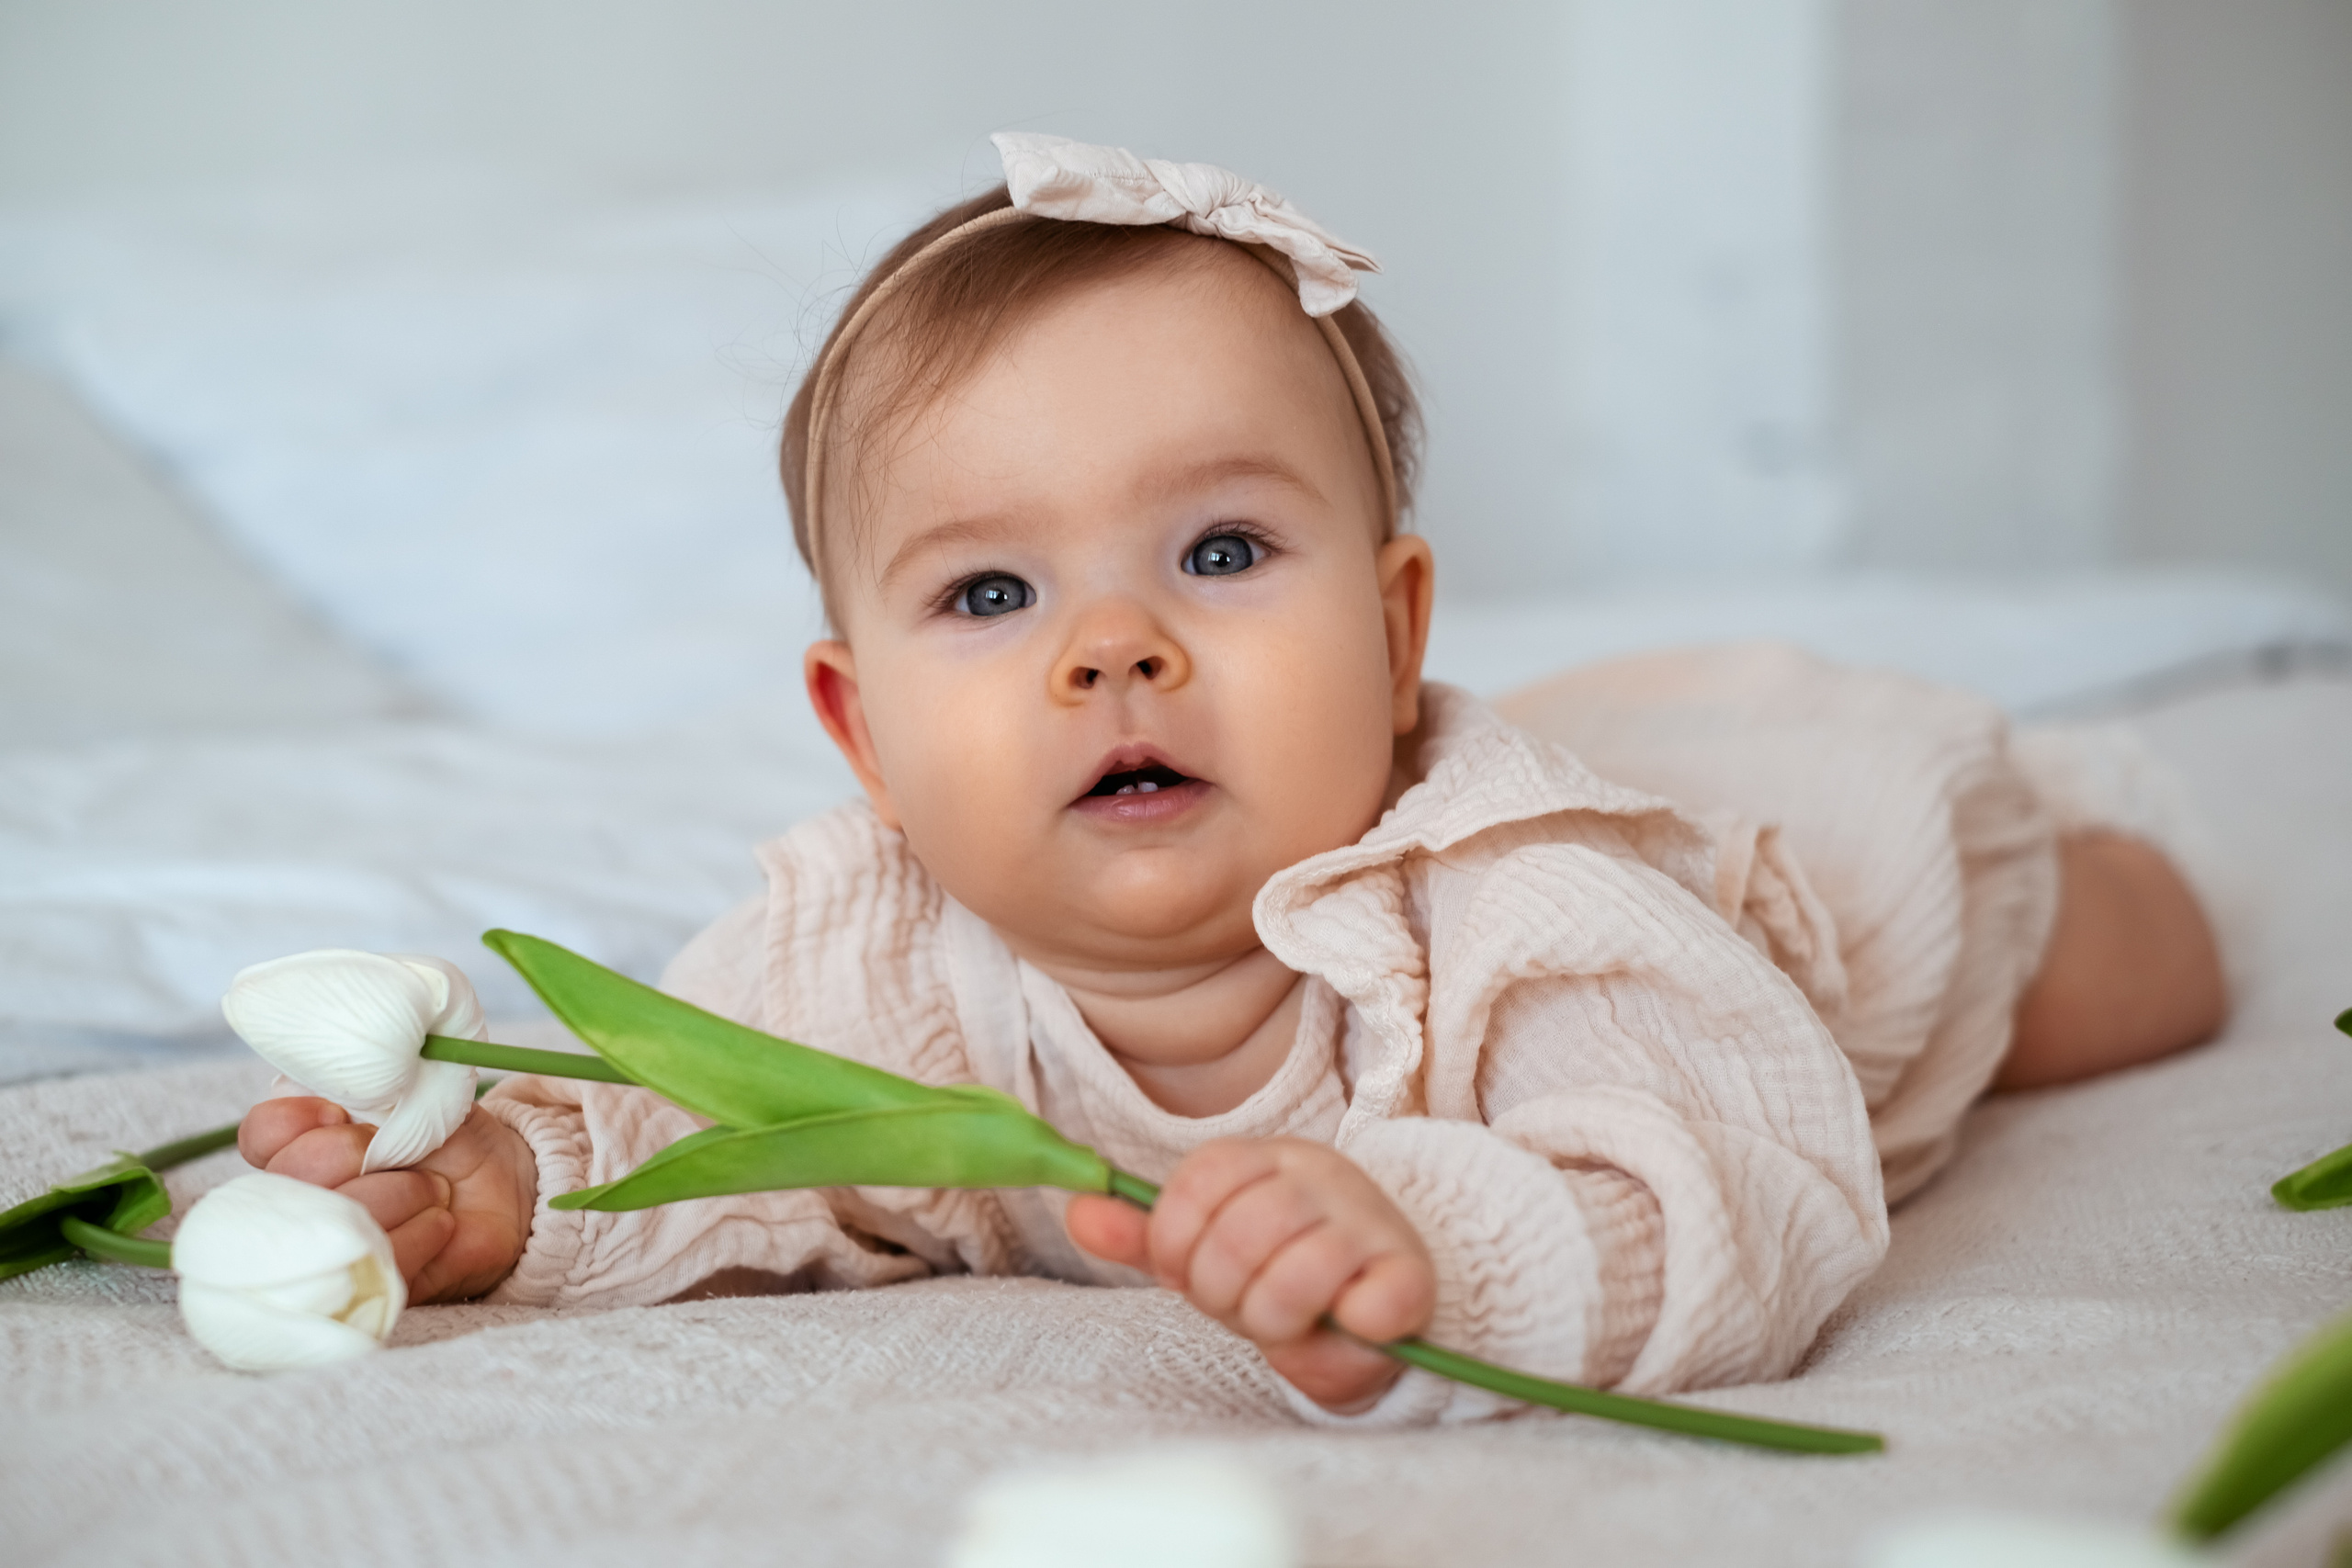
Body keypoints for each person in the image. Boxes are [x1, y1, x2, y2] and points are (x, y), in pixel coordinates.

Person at [237, 134, 2227, 1422]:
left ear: (1391, 629)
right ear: (860, 733)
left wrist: (1436, 1242)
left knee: (2093, 973)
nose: (1113, 648)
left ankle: (2082, 839)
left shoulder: (1531, 906)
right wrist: (495, 1184)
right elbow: (720, 1129)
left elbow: (1724, 1195)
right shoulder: (878, 952)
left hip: (1819, 910)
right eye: (994, 589)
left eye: (1215, 552)